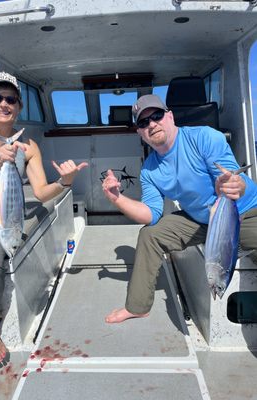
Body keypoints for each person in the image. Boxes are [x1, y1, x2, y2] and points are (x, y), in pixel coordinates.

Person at [0, 71, 88, 365]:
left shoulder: (28, 146)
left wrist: (64, 182)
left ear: (19, 106)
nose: (4, 103)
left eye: (11, 99)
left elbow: (41, 193)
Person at [102, 94, 257, 324]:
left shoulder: (204, 137)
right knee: (150, 234)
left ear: (170, 116)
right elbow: (150, 214)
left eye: (156, 116)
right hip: (201, 220)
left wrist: (232, 184)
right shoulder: (149, 170)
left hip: (244, 211)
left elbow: (233, 178)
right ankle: (138, 306)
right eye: (143, 123)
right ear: (140, 133)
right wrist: (117, 199)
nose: (152, 124)